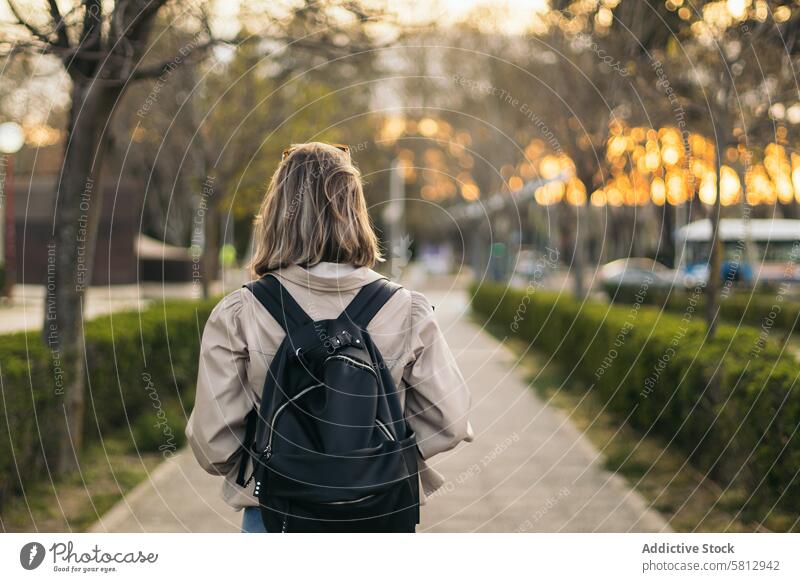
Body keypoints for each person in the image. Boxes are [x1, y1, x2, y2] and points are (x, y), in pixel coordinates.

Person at [186, 142, 472, 532]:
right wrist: (375, 463)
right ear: (355, 211)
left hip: (278, 516)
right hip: (379, 512)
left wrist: (280, 466)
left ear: (275, 214)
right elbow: (449, 422)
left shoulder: (239, 312)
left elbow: (212, 443)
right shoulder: (406, 309)